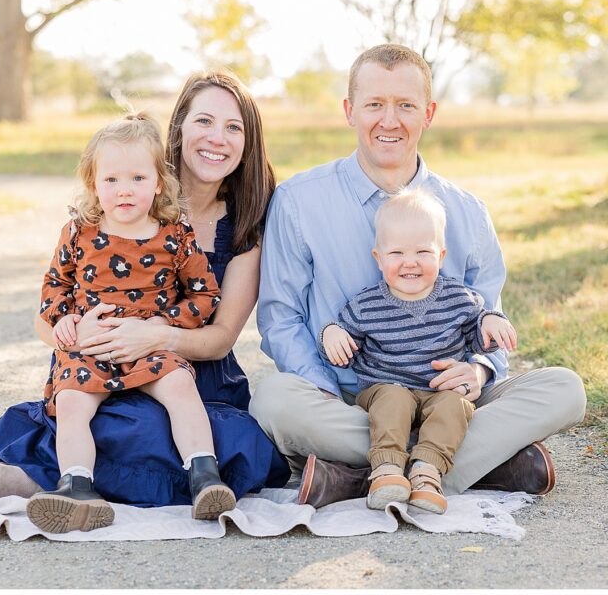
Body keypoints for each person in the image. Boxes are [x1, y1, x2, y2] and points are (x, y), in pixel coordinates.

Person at [0, 70, 289, 513]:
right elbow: (48, 311)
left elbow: (222, 335)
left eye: (234, 127)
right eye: (204, 121)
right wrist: (74, 331)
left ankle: (21, 471)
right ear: (179, 130)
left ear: (249, 142)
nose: (218, 138)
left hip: (190, 370)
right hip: (100, 360)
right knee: (83, 405)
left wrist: (157, 335)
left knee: (186, 431)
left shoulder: (245, 226)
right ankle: (40, 476)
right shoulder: (115, 201)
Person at [250, 43, 587, 508]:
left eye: (405, 105)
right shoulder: (298, 201)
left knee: (564, 389)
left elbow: (489, 318)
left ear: (428, 113)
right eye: (374, 105)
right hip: (352, 402)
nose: (390, 121)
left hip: (447, 403)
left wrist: (478, 369)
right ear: (350, 111)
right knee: (272, 400)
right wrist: (326, 393)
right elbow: (280, 318)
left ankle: (363, 475)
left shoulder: (467, 211)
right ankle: (461, 465)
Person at [24, 112, 232, 532]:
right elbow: (55, 283)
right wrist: (64, 319)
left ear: (158, 183)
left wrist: (164, 322)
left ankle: (204, 476)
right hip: (92, 347)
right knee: (71, 402)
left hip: (150, 346)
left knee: (179, 385)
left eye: (138, 178)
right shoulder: (79, 232)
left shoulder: (174, 235)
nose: (124, 191)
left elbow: (205, 295)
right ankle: (77, 486)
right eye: (112, 180)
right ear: (94, 185)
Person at [319, 189, 517, 514]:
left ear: (440, 256)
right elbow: (340, 349)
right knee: (393, 399)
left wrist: (492, 322)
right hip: (385, 389)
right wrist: (331, 333)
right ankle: (387, 471)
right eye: (396, 253)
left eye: (423, 252)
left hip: (439, 391)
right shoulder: (365, 304)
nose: (410, 262)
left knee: (456, 406)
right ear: (378, 258)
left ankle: (427, 472)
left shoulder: (458, 297)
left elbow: (479, 335)